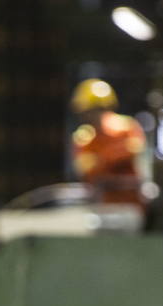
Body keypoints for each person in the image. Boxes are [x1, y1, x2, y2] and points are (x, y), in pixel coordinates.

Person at [69, 78, 148, 210]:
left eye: (97, 110)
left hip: (130, 203)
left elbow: (134, 151)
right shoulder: (84, 138)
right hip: (100, 204)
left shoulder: (126, 128)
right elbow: (85, 169)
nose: (88, 116)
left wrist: (102, 160)